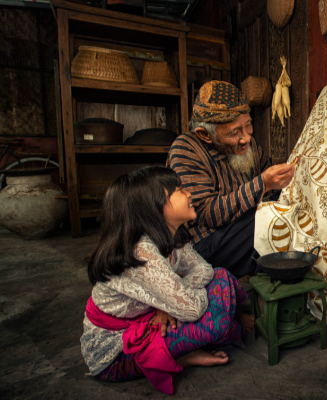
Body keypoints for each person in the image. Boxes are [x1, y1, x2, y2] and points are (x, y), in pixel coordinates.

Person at [79, 166, 254, 394]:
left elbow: (203, 269)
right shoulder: (140, 252)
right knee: (220, 315)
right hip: (118, 354)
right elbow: (191, 310)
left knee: (221, 277)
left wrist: (170, 303)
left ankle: (193, 343)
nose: (188, 193)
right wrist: (174, 302)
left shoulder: (171, 237)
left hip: (155, 323)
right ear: (153, 208)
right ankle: (181, 358)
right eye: (179, 190)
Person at [167, 80, 294, 278]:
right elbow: (205, 213)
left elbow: (271, 186)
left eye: (248, 125)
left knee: (283, 212)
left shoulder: (248, 145)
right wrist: (262, 183)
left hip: (242, 231)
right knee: (267, 221)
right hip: (205, 244)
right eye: (234, 132)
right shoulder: (186, 149)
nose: (246, 138)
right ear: (205, 135)